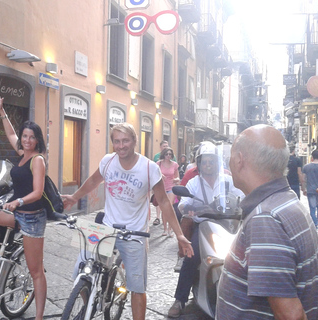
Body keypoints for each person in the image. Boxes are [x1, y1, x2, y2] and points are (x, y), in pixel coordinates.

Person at [62, 123, 193, 320]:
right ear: (112, 142)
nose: (121, 145)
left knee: (137, 288)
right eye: (116, 141)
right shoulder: (107, 161)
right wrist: (74, 197)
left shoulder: (149, 168)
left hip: (134, 233)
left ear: (134, 141)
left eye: (125, 140)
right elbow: (92, 181)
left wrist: (180, 234)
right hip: (105, 226)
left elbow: (165, 203)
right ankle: (90, 303)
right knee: (79, 271)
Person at [216, 124, 318, 320]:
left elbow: (291, 316)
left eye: (230, 156)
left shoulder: (265, 218)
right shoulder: (286, 201)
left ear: (239, 160)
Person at [0, 90, 48, 320]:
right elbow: (10, 133)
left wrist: (18, 201)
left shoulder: (38, 159)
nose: (26, 140)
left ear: (37, 139)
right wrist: (1, 110)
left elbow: (38, 192)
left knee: (36, 271)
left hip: (32, 218)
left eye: (31, 137)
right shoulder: (22, 154)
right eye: (25, 136)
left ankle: (40, 316)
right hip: (16, 213)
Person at [167, 141, 244, 318]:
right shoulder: (194, 183)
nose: (208, 165)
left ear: (218, 162)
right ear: (199, 164)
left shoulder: (229, 181)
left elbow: (243, 196)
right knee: (191, 257)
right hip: (203, 225)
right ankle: (180, 299)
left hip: (230, 224)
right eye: (204, 161)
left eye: (211, 161)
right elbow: (183, 205)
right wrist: (189, 208)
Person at [157, 147, 180, 236]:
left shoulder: (174, 165)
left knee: (169, 207)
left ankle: (170, 229)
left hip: (171, 187)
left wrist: (176, 179)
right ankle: (165, 229)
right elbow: (154, 174)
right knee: (163, 209)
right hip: (161, 188)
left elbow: (178, 177)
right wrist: (160, 175)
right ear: (164, 154)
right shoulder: (158, 164)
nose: (168, 156)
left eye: (170, 154)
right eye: (167, 154)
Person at [301, 149, 318, 225]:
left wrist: (304, 189)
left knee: (312, 209)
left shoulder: (306, 167)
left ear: (312, 157)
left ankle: (314, 224)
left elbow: (303, 179)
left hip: (310, 190)